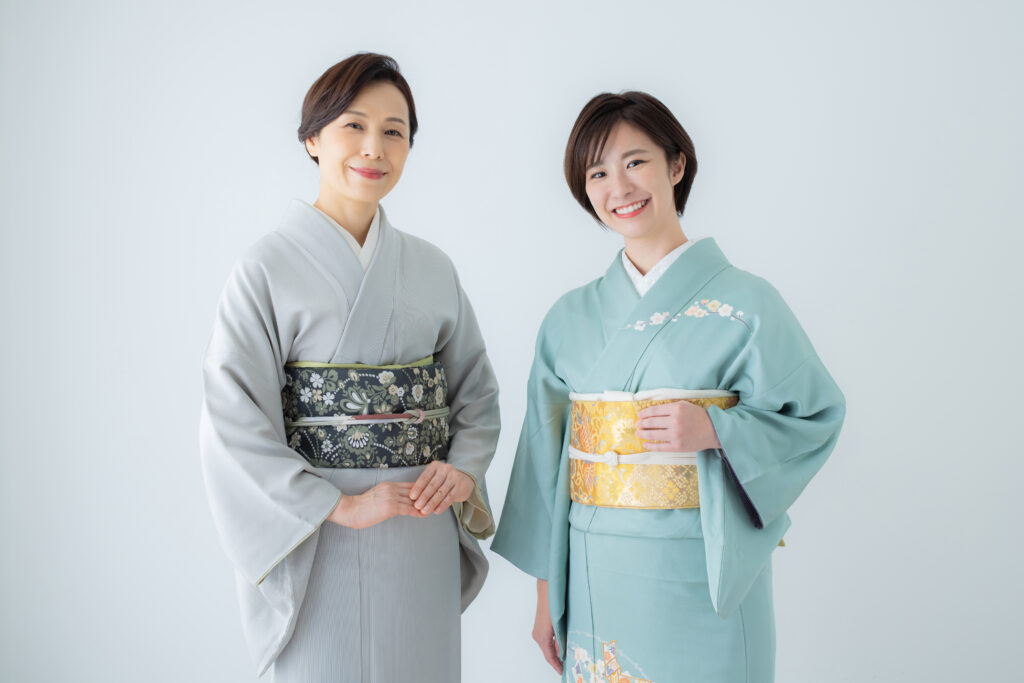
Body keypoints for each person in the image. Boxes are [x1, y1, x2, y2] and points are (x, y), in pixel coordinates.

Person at [491, 91, 845, 683]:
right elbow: (541, 464)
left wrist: (717, 429)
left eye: (635, 162)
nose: (619, 187)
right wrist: (545, 595)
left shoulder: (747, 303)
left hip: (702, 567)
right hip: (596, 566)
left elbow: (815, 417)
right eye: (598, 173)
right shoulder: (569, 318)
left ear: (675, 165)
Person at [199, 53, 499, 682]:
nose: (374, 148)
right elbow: (233, 418)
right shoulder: (265, 268)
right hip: (318, 531)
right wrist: (338, 505)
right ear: (313, 138)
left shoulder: (433, 267)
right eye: (353, 126)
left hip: (419, 522)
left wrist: (463, 470)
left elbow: (475, 389)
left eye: (394, 131)